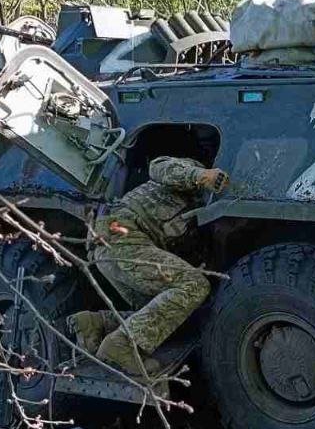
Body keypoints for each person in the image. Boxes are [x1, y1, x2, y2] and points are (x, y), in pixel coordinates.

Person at [67, 156, 227, 376]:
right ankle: (121, 345)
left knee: (166, 309)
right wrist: (199, 175)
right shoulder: (196, 171)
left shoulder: (202, 208)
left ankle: (97, 324)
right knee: (193, 285)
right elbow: (158, 167)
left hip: (110, 243)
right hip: (122, 235)